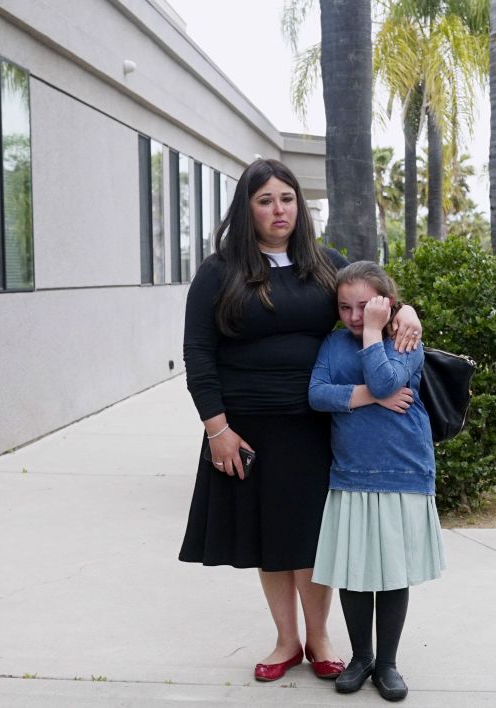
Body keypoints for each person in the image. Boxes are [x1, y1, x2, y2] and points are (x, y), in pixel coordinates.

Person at [178, 159, 424, 683]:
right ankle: (286, 641)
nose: (278, 210)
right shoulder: (219, 271)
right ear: (247, 209)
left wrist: (406, 311)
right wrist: (217, 430)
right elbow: (197, 354)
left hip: (318, 424)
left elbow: (372, 295)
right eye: (265, 200)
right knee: (270, 539)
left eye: (286, 198)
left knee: (314, 537)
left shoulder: (325, 264)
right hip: (248, 426)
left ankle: (320, 638)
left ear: (299, 205)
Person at [308, 261, 446, 701]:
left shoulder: (406, 338)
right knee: (353, 572)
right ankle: (361, 658)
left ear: (387, 303)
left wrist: (373, 331)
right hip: (351, 472)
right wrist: (368, 397)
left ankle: (387, 663)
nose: (354, 316)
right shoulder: (332, 343)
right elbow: (317, 394)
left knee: (391, 572)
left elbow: (387, 379)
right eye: (345, 307)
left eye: (364, 307)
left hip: (401, 470)